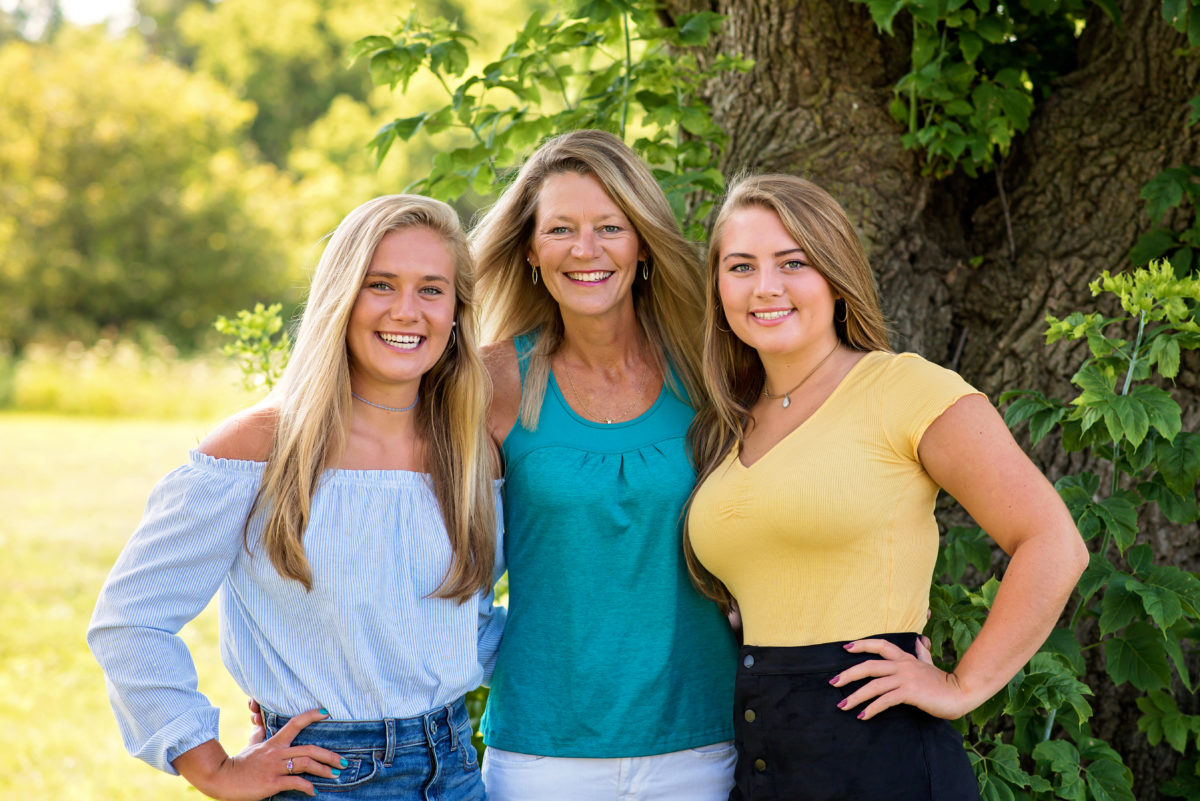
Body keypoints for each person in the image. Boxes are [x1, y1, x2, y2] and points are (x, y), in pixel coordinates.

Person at [684, 174, 1089, 801]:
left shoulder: (904, 388)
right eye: (741, 266)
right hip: (763, 755)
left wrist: (962, 687)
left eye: (793, 262)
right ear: (718, 288)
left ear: (836, 276)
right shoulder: (728, 421)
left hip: (879, 755)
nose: (765, 287)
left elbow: (1054, 542)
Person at [88, 194, 504, 801]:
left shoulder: (468, 452)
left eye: (432, 290)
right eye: (380, 284)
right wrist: (213, 767)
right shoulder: (260, 447)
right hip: (321, 779)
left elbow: (465, 626)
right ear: (341, 297)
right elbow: (132, 617)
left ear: (458, 312)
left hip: (456, 770)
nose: (407, 311)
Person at [469, 129, 739, 801]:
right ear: (530, 249)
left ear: (642, 242)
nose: (585, 250)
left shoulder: (712, 374)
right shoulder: (492, 381)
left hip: (700, 740)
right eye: (560, 228)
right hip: (541, 749)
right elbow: (431, 552)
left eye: (609, 226)